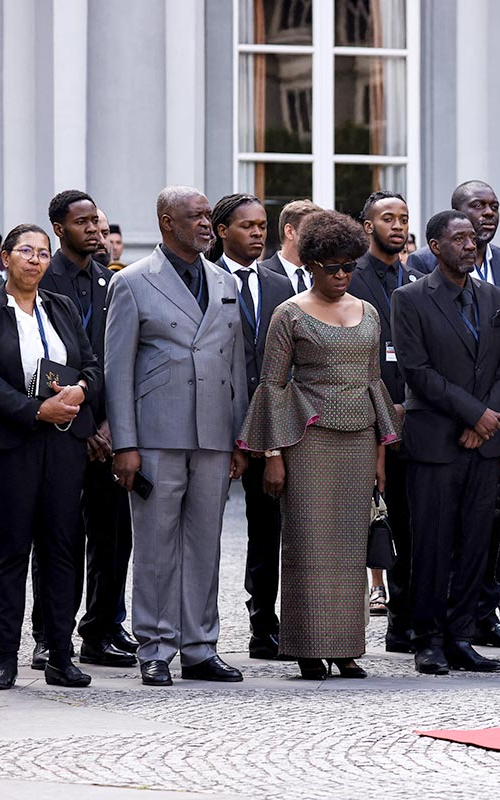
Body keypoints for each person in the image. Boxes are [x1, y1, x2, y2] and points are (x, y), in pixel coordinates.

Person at [239, 210, 401, 680]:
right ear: (311, 265)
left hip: (358, 442)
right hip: (306, 443)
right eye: (332, 267)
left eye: (349, 266)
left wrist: (380, 456)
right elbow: (272, 385)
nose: (342, 275)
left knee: (352, 547)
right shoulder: (288, 313)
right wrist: (272, 456)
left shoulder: (369, 312)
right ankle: (309, 647)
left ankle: (347, 647)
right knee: (308, 545)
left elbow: (374, 380)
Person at [105, 186, 250, 687]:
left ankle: (199, 646)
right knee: (155, 543)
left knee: (205, 542)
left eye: (209, 215)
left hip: (212, 433)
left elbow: (235, 365)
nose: (208, 224)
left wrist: (238, 437)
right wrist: (125, 444)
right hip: (155, 436)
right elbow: (116, 371)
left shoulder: (221, 280)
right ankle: (155, 645)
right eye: (196, 217)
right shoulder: (133, 282)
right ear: (167, 222)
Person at [391, 209, 500, 675]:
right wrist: (473, 412)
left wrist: (487, 421)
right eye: (459, 238)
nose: (471, 244)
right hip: (435, 443)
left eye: (473, 238)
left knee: (474, 542)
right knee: (430, 543)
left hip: (482, 443)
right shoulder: (410, 299)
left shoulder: (495, 296)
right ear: (435, 246)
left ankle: (462, 635)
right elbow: (417, 371)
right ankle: (428, 639)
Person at [0, 223, 101, 689]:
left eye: (43, 253)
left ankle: (60, 654)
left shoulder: (62, 307)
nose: (35, 260)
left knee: (63, 548)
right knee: (12, 550)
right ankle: (7, 656)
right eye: (25, 251)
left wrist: (82, 389)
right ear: (5, 258)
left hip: (64, 443)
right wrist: (36, 410)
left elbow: (91, 363)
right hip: (11, 444)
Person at [38, 190, 136, 670]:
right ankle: (47, 634)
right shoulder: (43, 279)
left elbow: (120, 359)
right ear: (60, 229)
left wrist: (110, 423)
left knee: (113, 535)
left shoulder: (111, 282)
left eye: (97, 222)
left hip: (107, 429)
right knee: (58, 536)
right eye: (84, 224)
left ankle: (100, 630)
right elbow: (44, 362)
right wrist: (80, 423)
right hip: (59, 430)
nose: (95, 231)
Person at [211, 193, 294, 660]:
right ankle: (195, 630)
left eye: (263, 225)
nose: (259, 233)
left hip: (268, 425)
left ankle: (264, 624)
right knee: (204, 529)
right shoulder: (204, 280)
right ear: (223, 230)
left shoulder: (281, 285)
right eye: (248, 226)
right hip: (213, 421)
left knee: (268, 530)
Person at [348, 190, 423, 650]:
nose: (397, 226)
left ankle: (407, 619)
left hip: (416, 416)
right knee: (374, 522)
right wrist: (381, 413)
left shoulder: (419, 277)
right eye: (387, 218)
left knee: (414, 523)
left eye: (404, 219)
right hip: (367, 419)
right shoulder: (350, 280)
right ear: (366, 227)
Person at [407, 180, 500, 293]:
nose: (489, 212)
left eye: (494, 207)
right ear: (456, 213)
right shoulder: (423, 261)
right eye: (477, 205)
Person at [260, 199, 321, 294]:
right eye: (311, 230)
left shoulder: (323, 273)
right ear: (289, 232)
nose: (319, 236)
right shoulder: (261, 274)